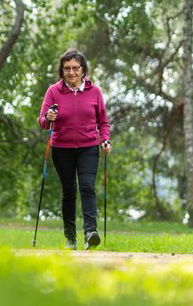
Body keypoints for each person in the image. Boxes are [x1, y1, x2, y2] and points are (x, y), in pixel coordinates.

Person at [39, 49, 112, 250]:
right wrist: (48, 118)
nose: (71, 72)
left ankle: (90, 233)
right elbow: (43, 121)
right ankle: (70, 238)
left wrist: (105, 140)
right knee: (69, 192)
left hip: (88, 147)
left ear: (83, 70)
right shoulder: (53, 91)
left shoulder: (94, 92)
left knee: (87, 187)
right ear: (62, 71)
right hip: (61, 148)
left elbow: (103, 122)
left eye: (75, 68)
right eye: (67, 68)